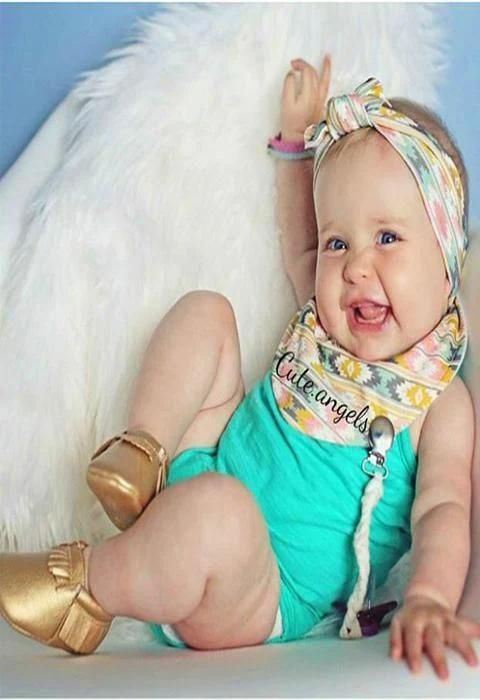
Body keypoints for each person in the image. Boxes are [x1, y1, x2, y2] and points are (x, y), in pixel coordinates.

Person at [0, 55, 479, 683]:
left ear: (448, 260)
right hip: (204, 463)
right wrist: (293, 144)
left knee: (221, 514)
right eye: (339, 243)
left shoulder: (439, 402)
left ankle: (87, 589)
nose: (355, 266)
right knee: (207, 312)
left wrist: (431, 598)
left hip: (260, 589)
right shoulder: (321, 320)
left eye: (387, 238)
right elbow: (300, 238)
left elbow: (443, 508)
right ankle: (142, 452)